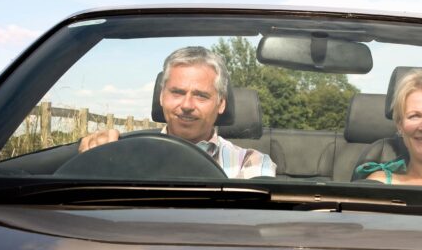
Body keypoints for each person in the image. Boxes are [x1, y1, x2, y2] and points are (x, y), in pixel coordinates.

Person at [78, 46, 276, 178]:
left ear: (221, 104)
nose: (187, 104)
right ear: (161, 97)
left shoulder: (250, 163)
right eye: (177, 92)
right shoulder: (124, 154)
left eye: (201, 95)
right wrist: (100, 155)